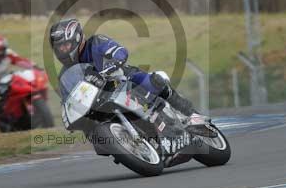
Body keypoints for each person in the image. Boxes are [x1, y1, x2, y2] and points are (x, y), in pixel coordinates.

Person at [49, 18, 208, 131]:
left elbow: (119, 51)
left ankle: (191, 113)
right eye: (59, 48)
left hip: (123, 78)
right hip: (100, 101)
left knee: (154, 82)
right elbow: (67, 99)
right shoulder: (66, 74)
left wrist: (113, 63)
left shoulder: (96, 42)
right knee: (90, 128)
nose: (63, 50)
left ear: (77, 39)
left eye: (66, 45)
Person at [0, 35, 35, 113]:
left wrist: (34, 66)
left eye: (1, 50)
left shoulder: (9, 53)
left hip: (7, 77)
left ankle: (29, 103)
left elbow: (20, 61)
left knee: (25, 81)